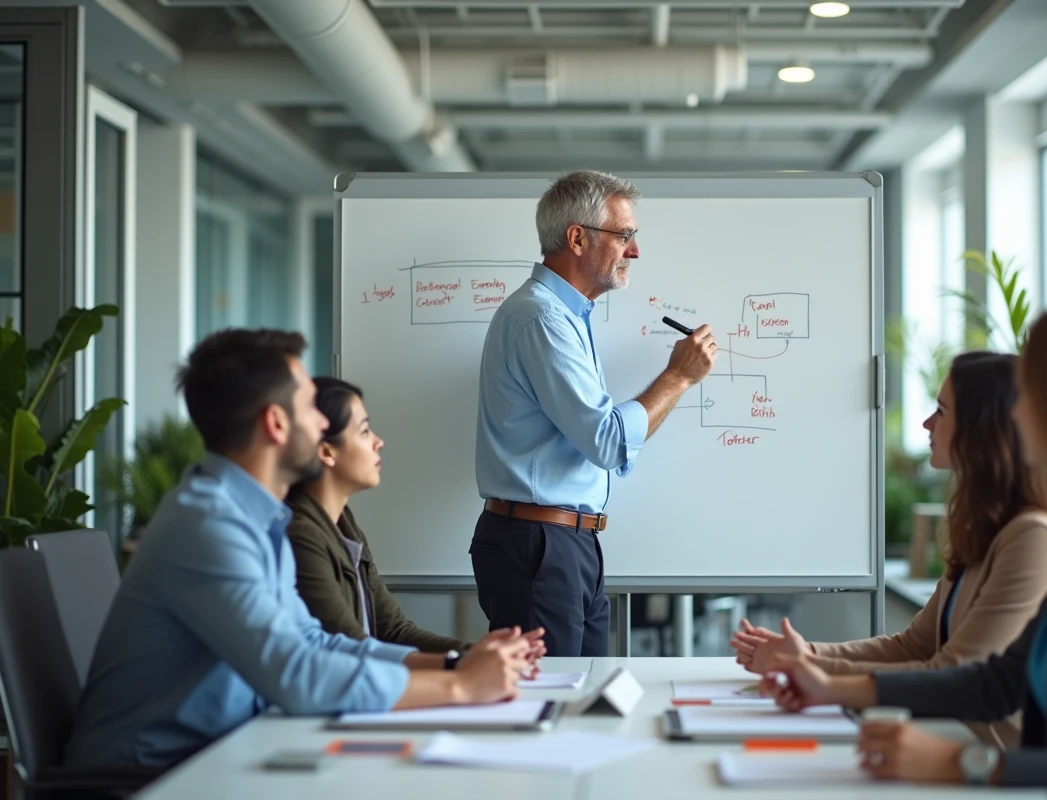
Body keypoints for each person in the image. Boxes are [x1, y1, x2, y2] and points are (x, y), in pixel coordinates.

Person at [760, 300, 1047, 800]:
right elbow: (1000, 681)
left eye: (1029, 392)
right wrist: (831, 686)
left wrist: (961, 763)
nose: (1016, 410)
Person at [66, 330, 537, 768]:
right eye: (311, 406)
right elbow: (295, 673)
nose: (321, 422)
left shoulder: (256, 516)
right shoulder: (208, 525)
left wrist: (455, 663)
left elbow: (312, 643)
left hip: (223, 752)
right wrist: (458, 687)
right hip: (152, 775)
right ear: (275, 423)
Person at [732, 351, 1047, 747]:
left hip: (989, 765)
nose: (927, 423)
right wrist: (808, 651)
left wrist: (808, 667)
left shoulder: (1032, 537)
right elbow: (913, 645)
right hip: (945, 741)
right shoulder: (986, 527)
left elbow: (954, 670)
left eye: (941, 410)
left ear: (983, 428)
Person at [472, 169, 718, 657]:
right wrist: (680, 377)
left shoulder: (565, 316)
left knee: (580, 696)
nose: (635, 250)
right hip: (541, 545)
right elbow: (607, 440)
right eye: (624, 235)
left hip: (563, 543)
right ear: (577, 238)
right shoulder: (542, 318)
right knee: (552, 703)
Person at [286, 377, 546, 669]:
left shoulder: (344, 525)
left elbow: (394, 631)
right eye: (364, 431)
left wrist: (475, 653)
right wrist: (460, 666)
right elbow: (352, 651)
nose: (378, 442)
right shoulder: (299, 535)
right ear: (326, 451)